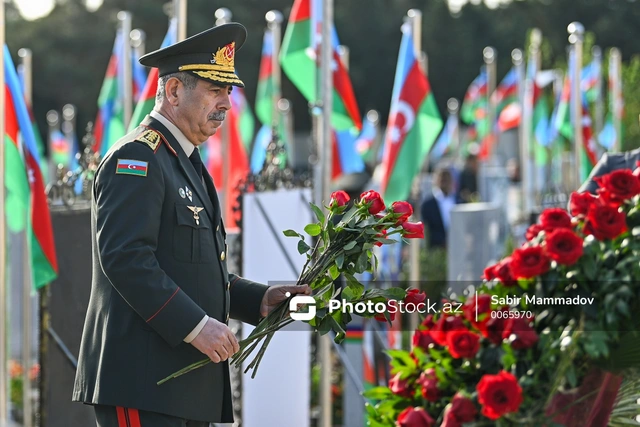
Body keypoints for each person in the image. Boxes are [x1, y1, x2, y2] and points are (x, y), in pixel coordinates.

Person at [72, 23, 310, 427]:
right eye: (214, 90)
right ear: (174, 91)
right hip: (142, 382)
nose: (226, 104)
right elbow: (126, 259)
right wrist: (196, 326)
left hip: (181, 386)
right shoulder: (139, 157)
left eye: (228, 92)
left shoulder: (185, 162)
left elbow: (191, 266)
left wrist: (259, 299)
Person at [420, 167, 461, 248]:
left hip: (457, 247)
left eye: (447, 178)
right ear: (436, 180)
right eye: (442, 178)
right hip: (436, 251)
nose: (445, 182)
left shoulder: (459, 202)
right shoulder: (427, 205)